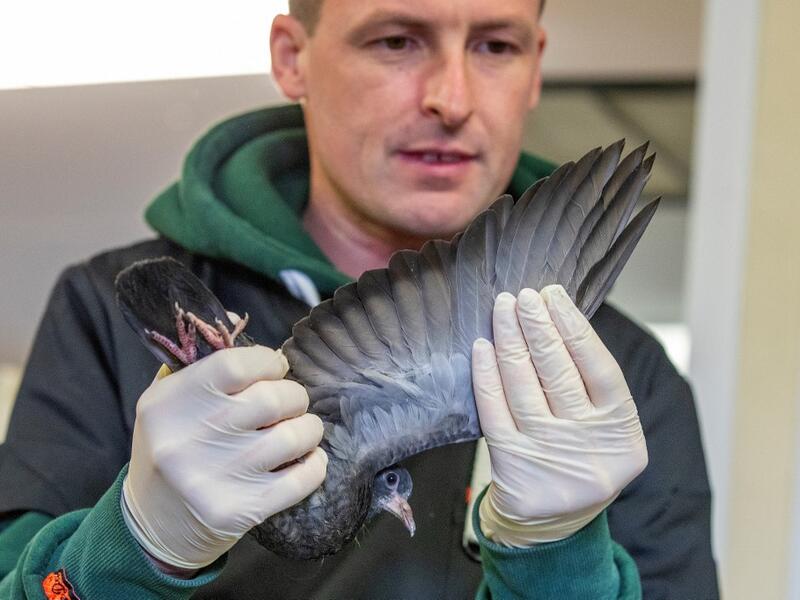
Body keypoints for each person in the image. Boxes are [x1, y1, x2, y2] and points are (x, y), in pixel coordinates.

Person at [0, 0, 719, 598]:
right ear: (292, 56)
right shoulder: (102, 311)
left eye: (495, 45)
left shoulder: (614, 374)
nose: (452, 98)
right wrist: (133, 547)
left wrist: (558, 559)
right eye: (397, 40)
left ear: (537, 66)